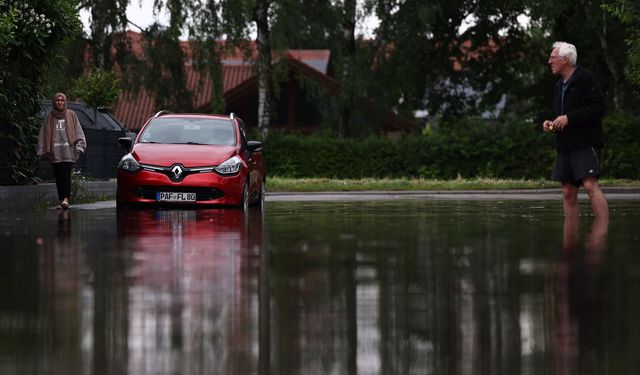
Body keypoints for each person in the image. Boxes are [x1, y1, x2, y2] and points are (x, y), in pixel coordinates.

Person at [543, 41, 608, 220]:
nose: (549, 61)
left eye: (553, 57)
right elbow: (560, 115)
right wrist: (552, 122)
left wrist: (569, 118)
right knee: (568, 191)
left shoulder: (586, 78)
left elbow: (599, 108)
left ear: (565, 59)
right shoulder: (559, 85)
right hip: (565, 145)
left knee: (589, 185)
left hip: (585, 142)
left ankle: (603, 230)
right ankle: (570, 241)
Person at [37, 93, 87, 210]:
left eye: (62, 100)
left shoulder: (71, 115)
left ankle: (65, 199)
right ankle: (61, 200)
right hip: (55, 152)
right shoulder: (49, 117)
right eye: (58, 100)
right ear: (54, 102)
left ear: (65, 102)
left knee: (66, 176)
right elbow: (43, 135)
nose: (60, 102)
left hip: (68, 151)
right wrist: (41, 150)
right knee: (58, 177)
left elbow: (79, 132)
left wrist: (79, 147)